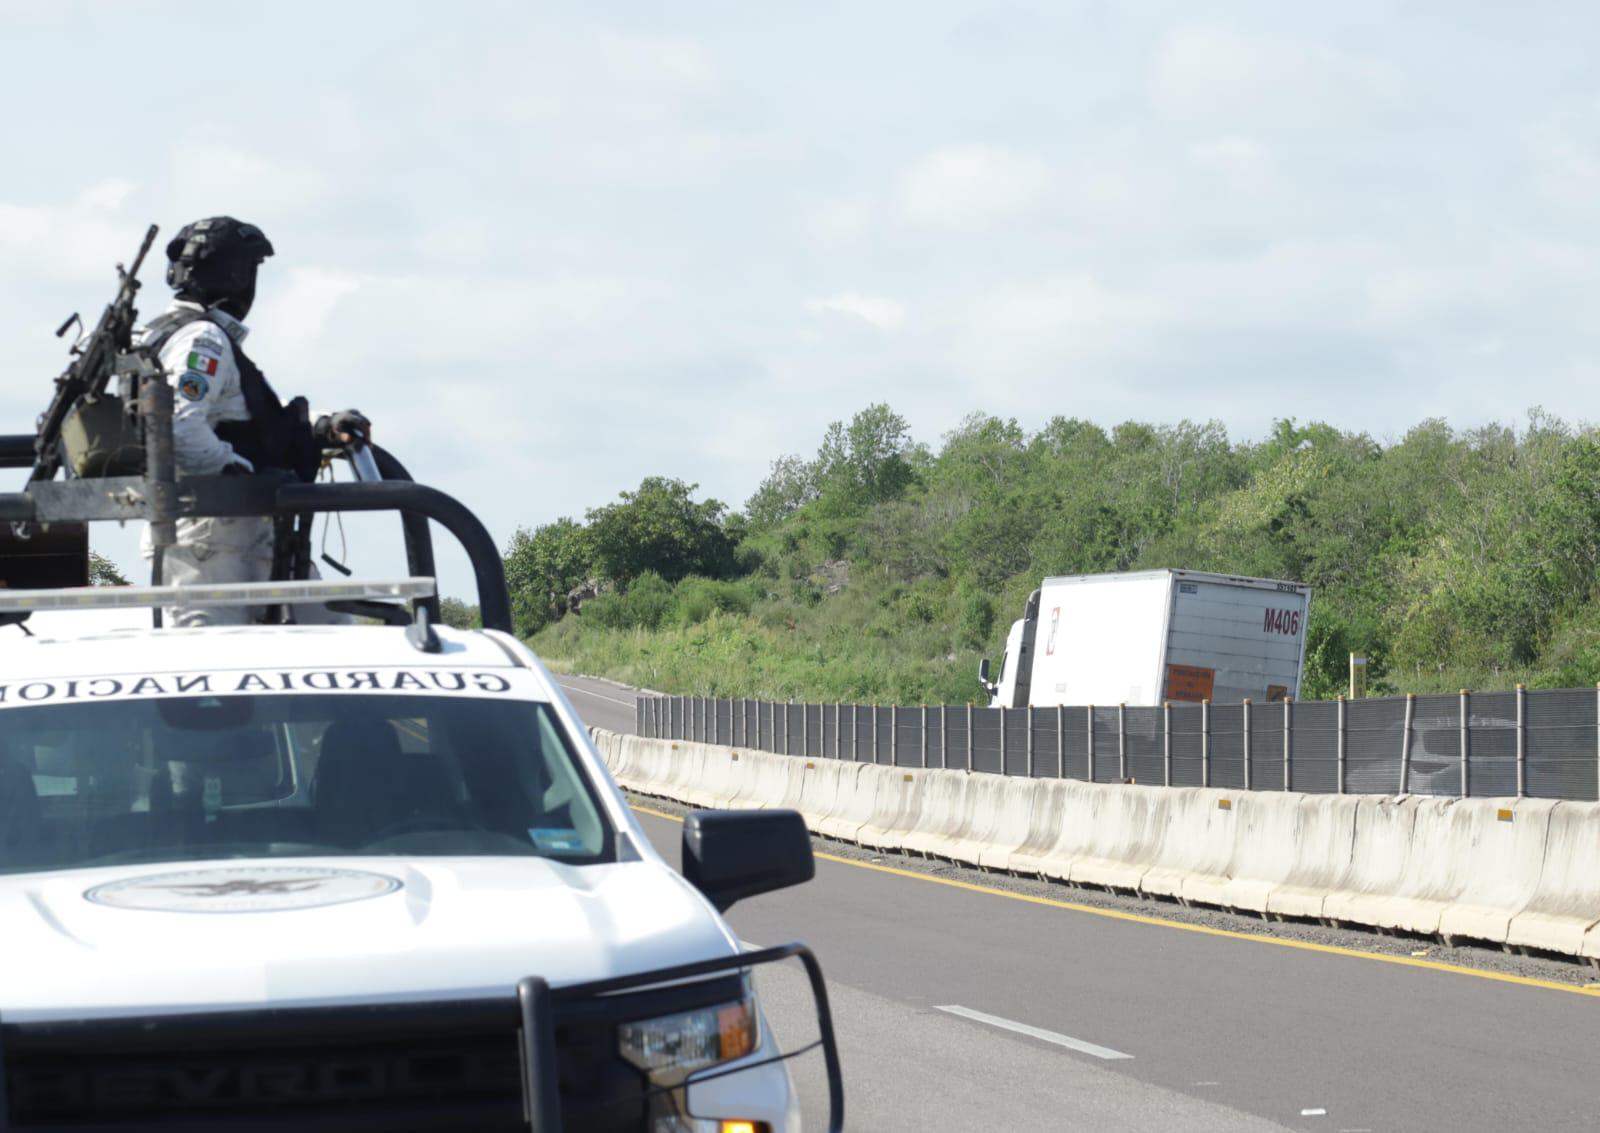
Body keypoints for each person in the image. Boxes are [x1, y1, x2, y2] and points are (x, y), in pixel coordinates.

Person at [137, 216, 371, 625]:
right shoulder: (202, 340)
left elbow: (238, 410)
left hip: (244, 535)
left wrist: (320, 426)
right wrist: (240, 473)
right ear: (236, 274)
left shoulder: (169, 336)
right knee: (217, 674)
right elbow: (179, 429)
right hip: (216, 543)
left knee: (332, 634)